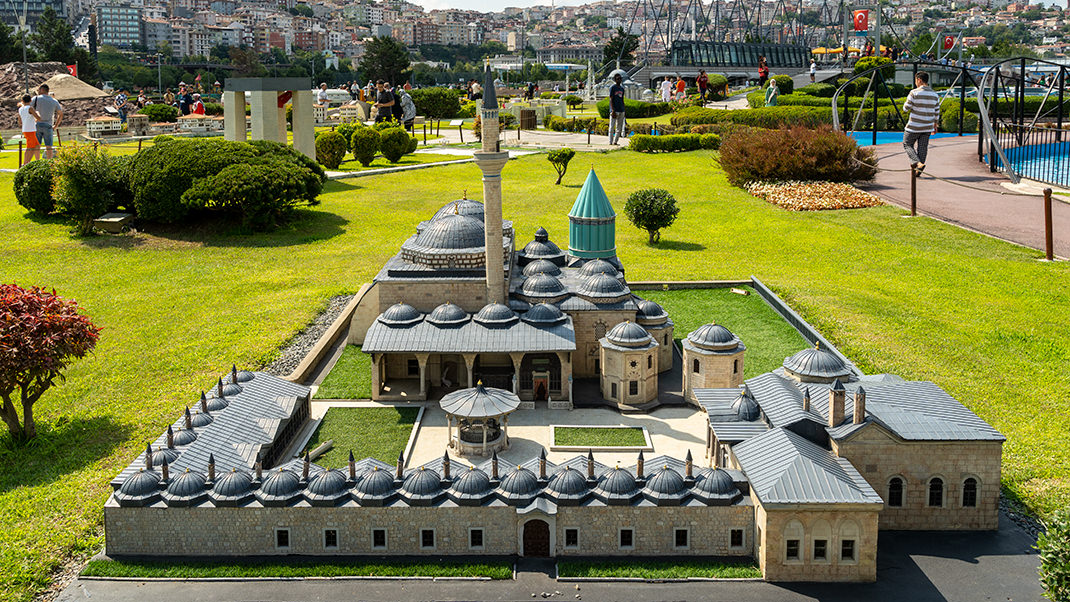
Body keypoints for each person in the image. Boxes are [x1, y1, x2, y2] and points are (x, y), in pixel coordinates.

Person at [902, 71, 940, 173]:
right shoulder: (935, 95)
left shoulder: (914, 93)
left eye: (916, 81)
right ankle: (918, 170)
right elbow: (937, 112)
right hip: (927, 126)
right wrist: (935, 125)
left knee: (907, 144)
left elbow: (906, 108)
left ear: (919, 80)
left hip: (914, 126)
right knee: (922, 148)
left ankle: (917, 163)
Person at [31, 84, 62, 160]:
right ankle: (49, 163)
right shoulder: (54, 101)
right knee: (49, 146)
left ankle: (37, 161)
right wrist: (55, 125)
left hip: (37, 124)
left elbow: (29, 108)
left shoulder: (36, 98)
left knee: (37, 145)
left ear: (42, 90)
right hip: (48, 125)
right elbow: (60, 114)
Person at [18, 95, 41, 167]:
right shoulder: (30, 108)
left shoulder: (20, 109)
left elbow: (20, 122)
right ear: (31, 100)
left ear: (22, 101)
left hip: (26, 129)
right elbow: (38, 118)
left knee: (37, 145)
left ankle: (35, 162)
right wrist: (38, 113)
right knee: (30, 148)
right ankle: (25, 164)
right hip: (30, 130)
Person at [608, 72, 626, 146]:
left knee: (619, 127)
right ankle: (610, 141)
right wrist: (612, 110)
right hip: (614, 110)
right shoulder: (613, 88)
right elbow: (611, 99)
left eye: (620, 79)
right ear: (615, 80)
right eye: (618, 79)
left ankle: (615, 141)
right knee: (612, 127)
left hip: (621, 110)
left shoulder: (622, 89)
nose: (619, 80)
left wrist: (624, 110)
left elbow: (622, 99)